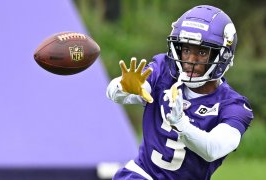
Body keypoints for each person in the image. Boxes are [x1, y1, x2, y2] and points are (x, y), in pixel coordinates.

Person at [106, 5, 254, 180]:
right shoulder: (164, 70)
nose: (190, 60)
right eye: (186, 50)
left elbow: (213, 150)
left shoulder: (234, 106)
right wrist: (124, 87)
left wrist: (181, 124)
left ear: (223, 56)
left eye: (201, 51)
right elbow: (114, 93)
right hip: (142, 174)